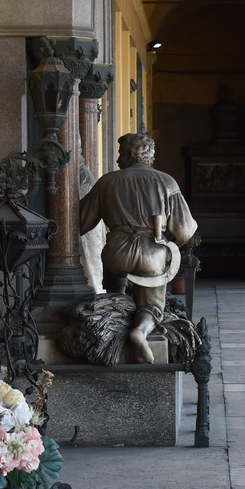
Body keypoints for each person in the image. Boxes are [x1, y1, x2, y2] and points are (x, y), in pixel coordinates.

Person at [80, 132, 198, 363]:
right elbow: (184, 231)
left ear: (128, 155)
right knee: (152, 304)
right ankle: (141, 331)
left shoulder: (107, 182)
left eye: (120, 154)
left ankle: (114, 316)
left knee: (114, 288)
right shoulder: (166, 182)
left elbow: (81, 222)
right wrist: (169, 240)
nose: (117, 160)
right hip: (152, 253)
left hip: (116, 251)